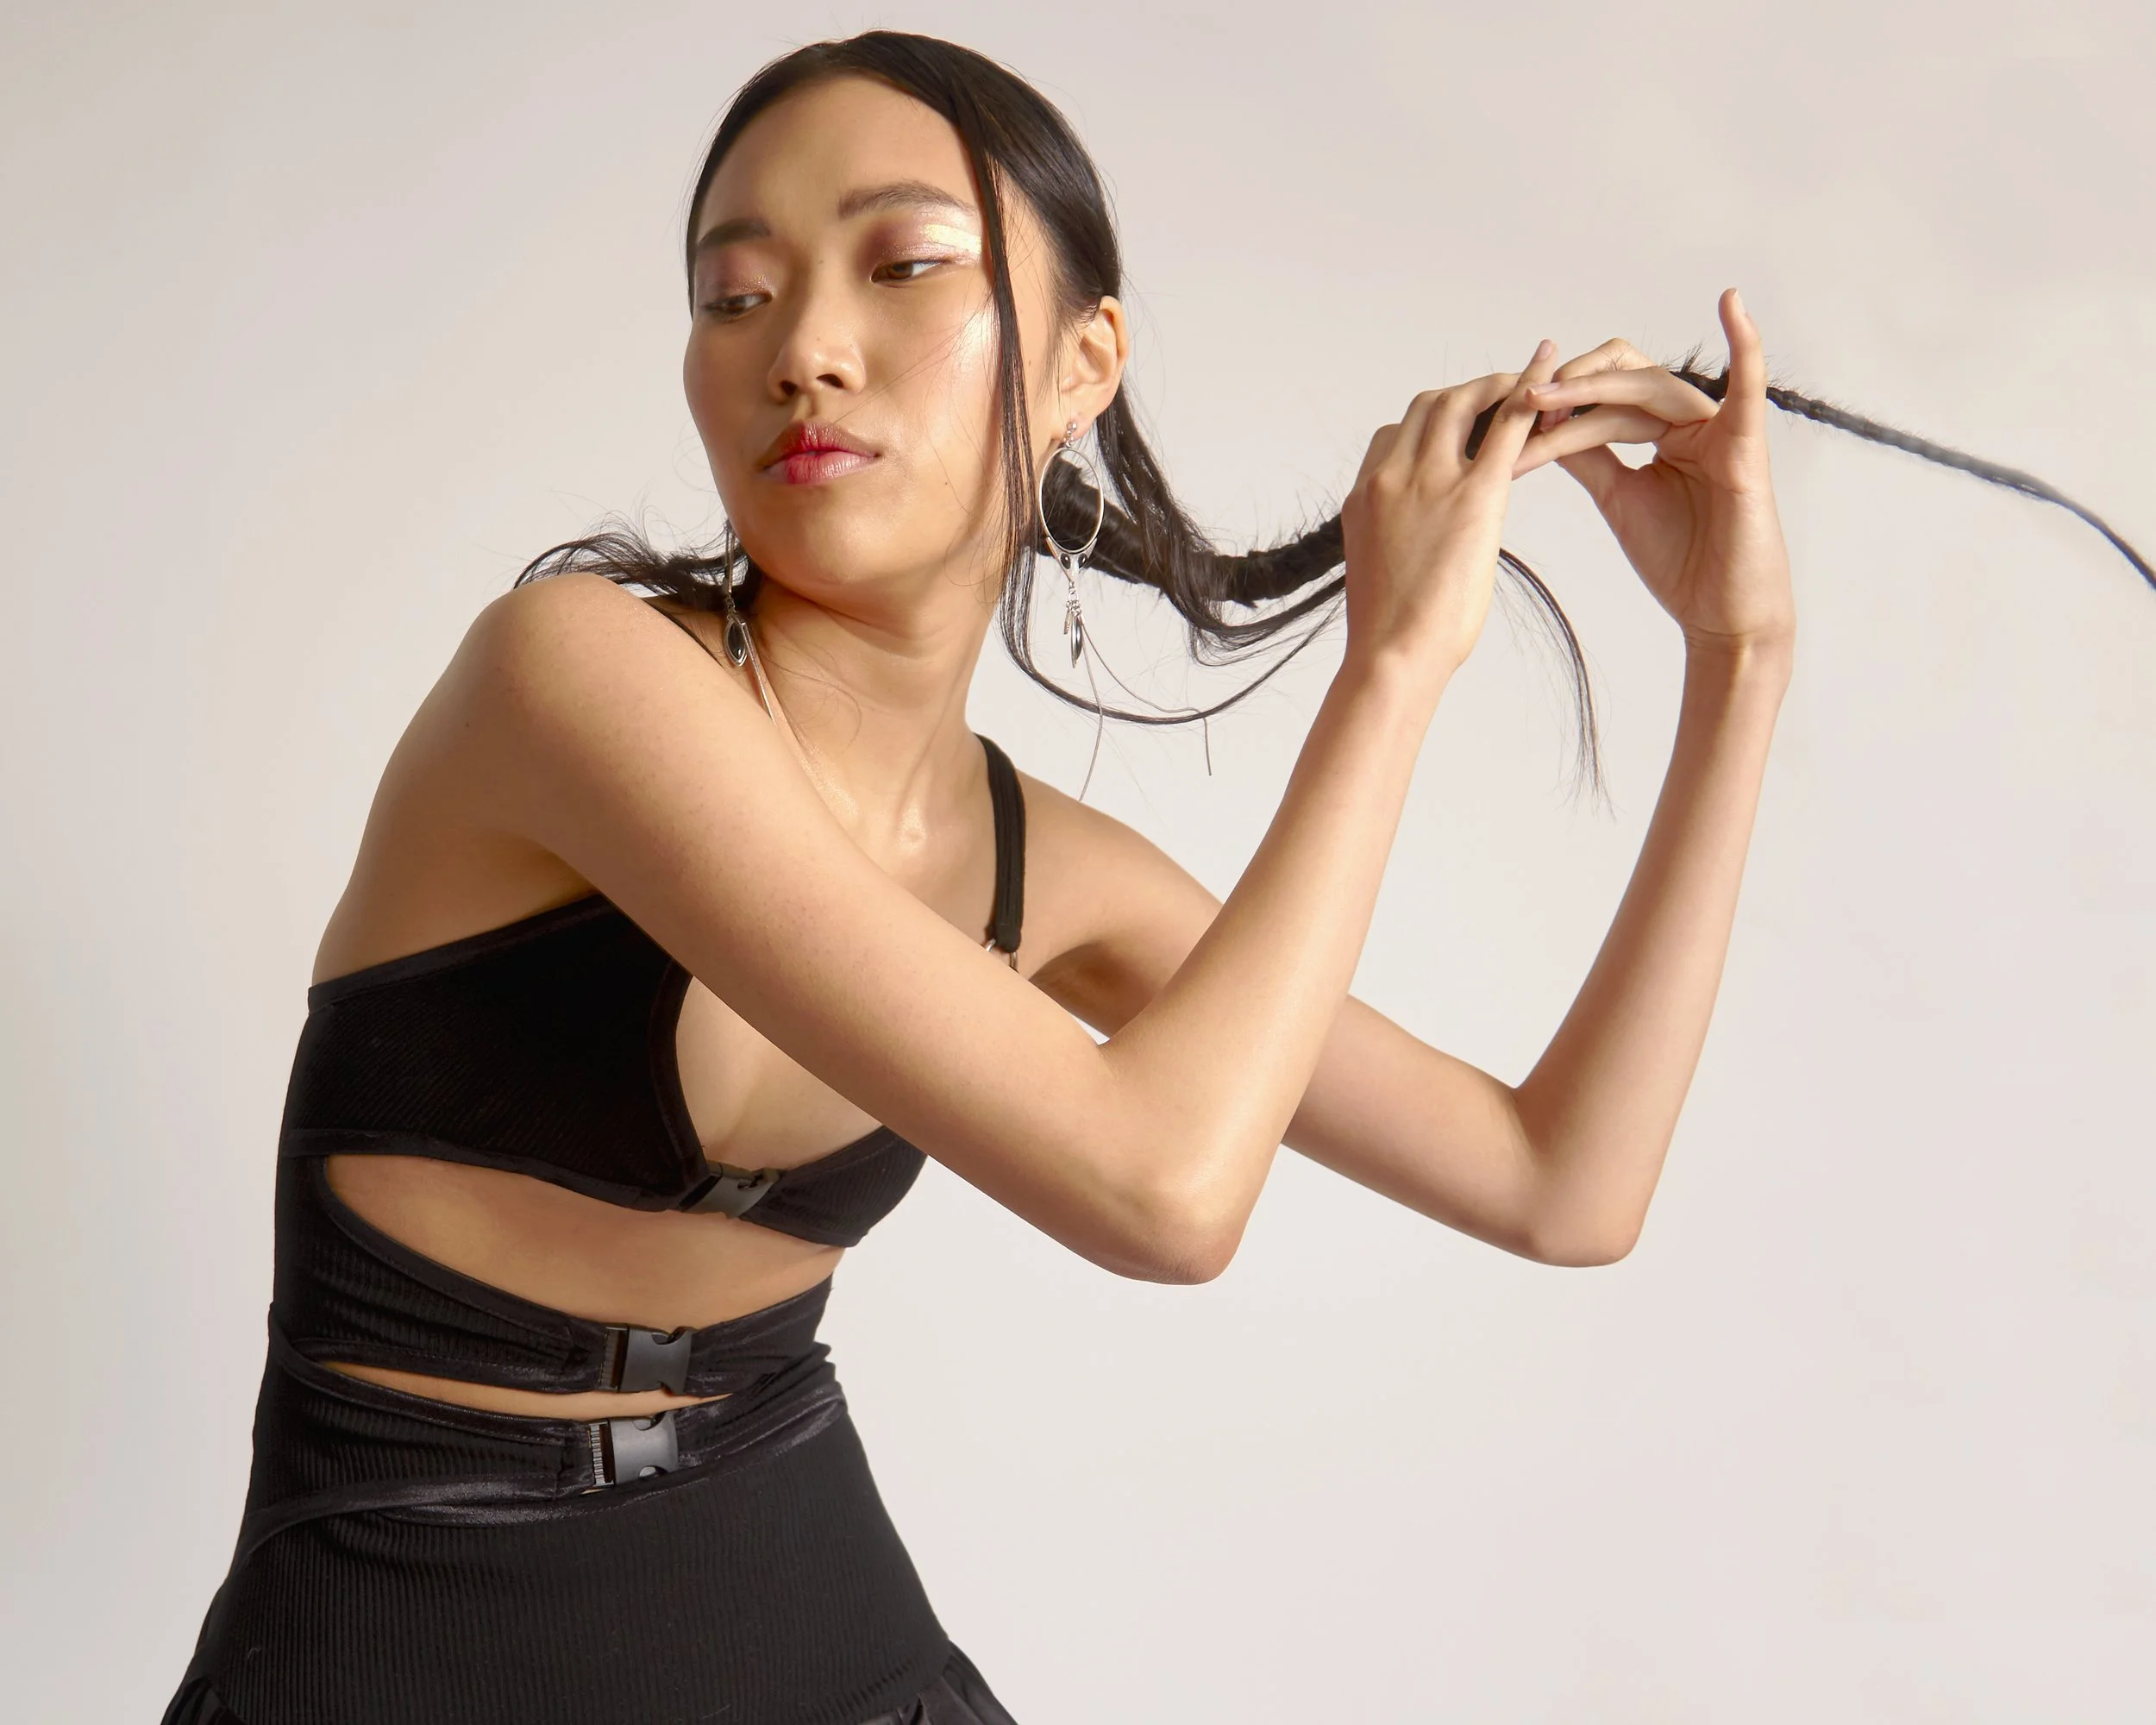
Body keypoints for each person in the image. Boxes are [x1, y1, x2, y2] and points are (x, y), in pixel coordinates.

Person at [160, 28, 1802, 1725]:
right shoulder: (572, 677)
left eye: (903, 266)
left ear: (1083, 361)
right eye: (734, 295)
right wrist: (1388, 667)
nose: (804, 350)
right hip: (396, 1638)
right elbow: (1163, 1192)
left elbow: (1560, 1183)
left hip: (810, 1619)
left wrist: (1737, 655)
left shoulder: (1045, 872)